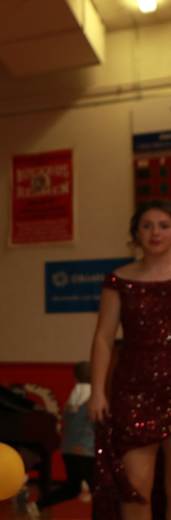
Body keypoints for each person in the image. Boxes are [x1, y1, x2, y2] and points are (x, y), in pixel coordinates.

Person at [88, 198, 171, 520]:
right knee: (135, 488)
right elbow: (103, 339)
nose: (155, 233)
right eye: (147, 226)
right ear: (136, 233)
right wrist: (97, 391)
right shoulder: (119, 279)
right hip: (134, 391)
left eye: (164, 226)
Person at [26, 362, 95, 519]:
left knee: (73, 488)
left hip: (68, 449)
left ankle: (38, 505)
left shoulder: (74, 397)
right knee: (97, 489)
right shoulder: (92, 395)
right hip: (87, 450)